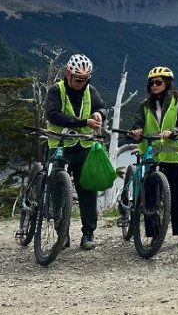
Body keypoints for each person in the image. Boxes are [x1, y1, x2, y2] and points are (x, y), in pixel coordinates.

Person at [44, 53, 107, 250]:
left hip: (84, 147)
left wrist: (99, 114)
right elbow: (53, 115)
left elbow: (102, 108)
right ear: (68, 74)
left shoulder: (90, 90)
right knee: (59, 191)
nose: (82, 83)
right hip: (60, 146)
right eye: (78, 79)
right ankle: (62, 232)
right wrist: (82, 122)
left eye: (85, 80)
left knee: (88, 191)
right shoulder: (56, 90)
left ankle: (88, 233)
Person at [130, 66, 178, 246]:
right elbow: (136, 123)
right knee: (151, 196)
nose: (154, 86)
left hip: (173, 157)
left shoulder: (176, 101)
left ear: (167, 83)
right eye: (151, 83)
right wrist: (136, 131)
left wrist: (173, 131)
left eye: (158, 82)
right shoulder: (143, 105)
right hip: (151, 154)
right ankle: (154, 234)